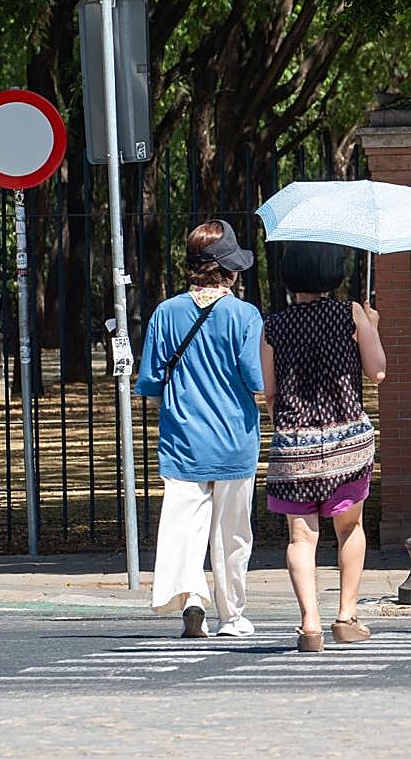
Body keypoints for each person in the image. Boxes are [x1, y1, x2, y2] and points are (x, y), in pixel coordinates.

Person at [136, 220, 264, 639]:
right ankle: (233, 616)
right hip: (234, 439)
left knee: (184, 531)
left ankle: (192, 597)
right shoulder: (244, 315)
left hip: (182, 440)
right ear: (228, 271)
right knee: (232, 535)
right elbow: (255, 379)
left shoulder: (165, 313)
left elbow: (151, 381)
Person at [261, 242, 386, 653]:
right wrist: (371, 325)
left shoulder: (273, 325)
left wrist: (289, 422)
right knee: (350, 527)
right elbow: (377, 372)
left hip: (294, 446)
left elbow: (269, 392)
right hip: (346, 443)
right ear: (333, 272)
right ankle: (346, 616)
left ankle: (309, 624)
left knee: (300, 538)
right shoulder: (350, 313)